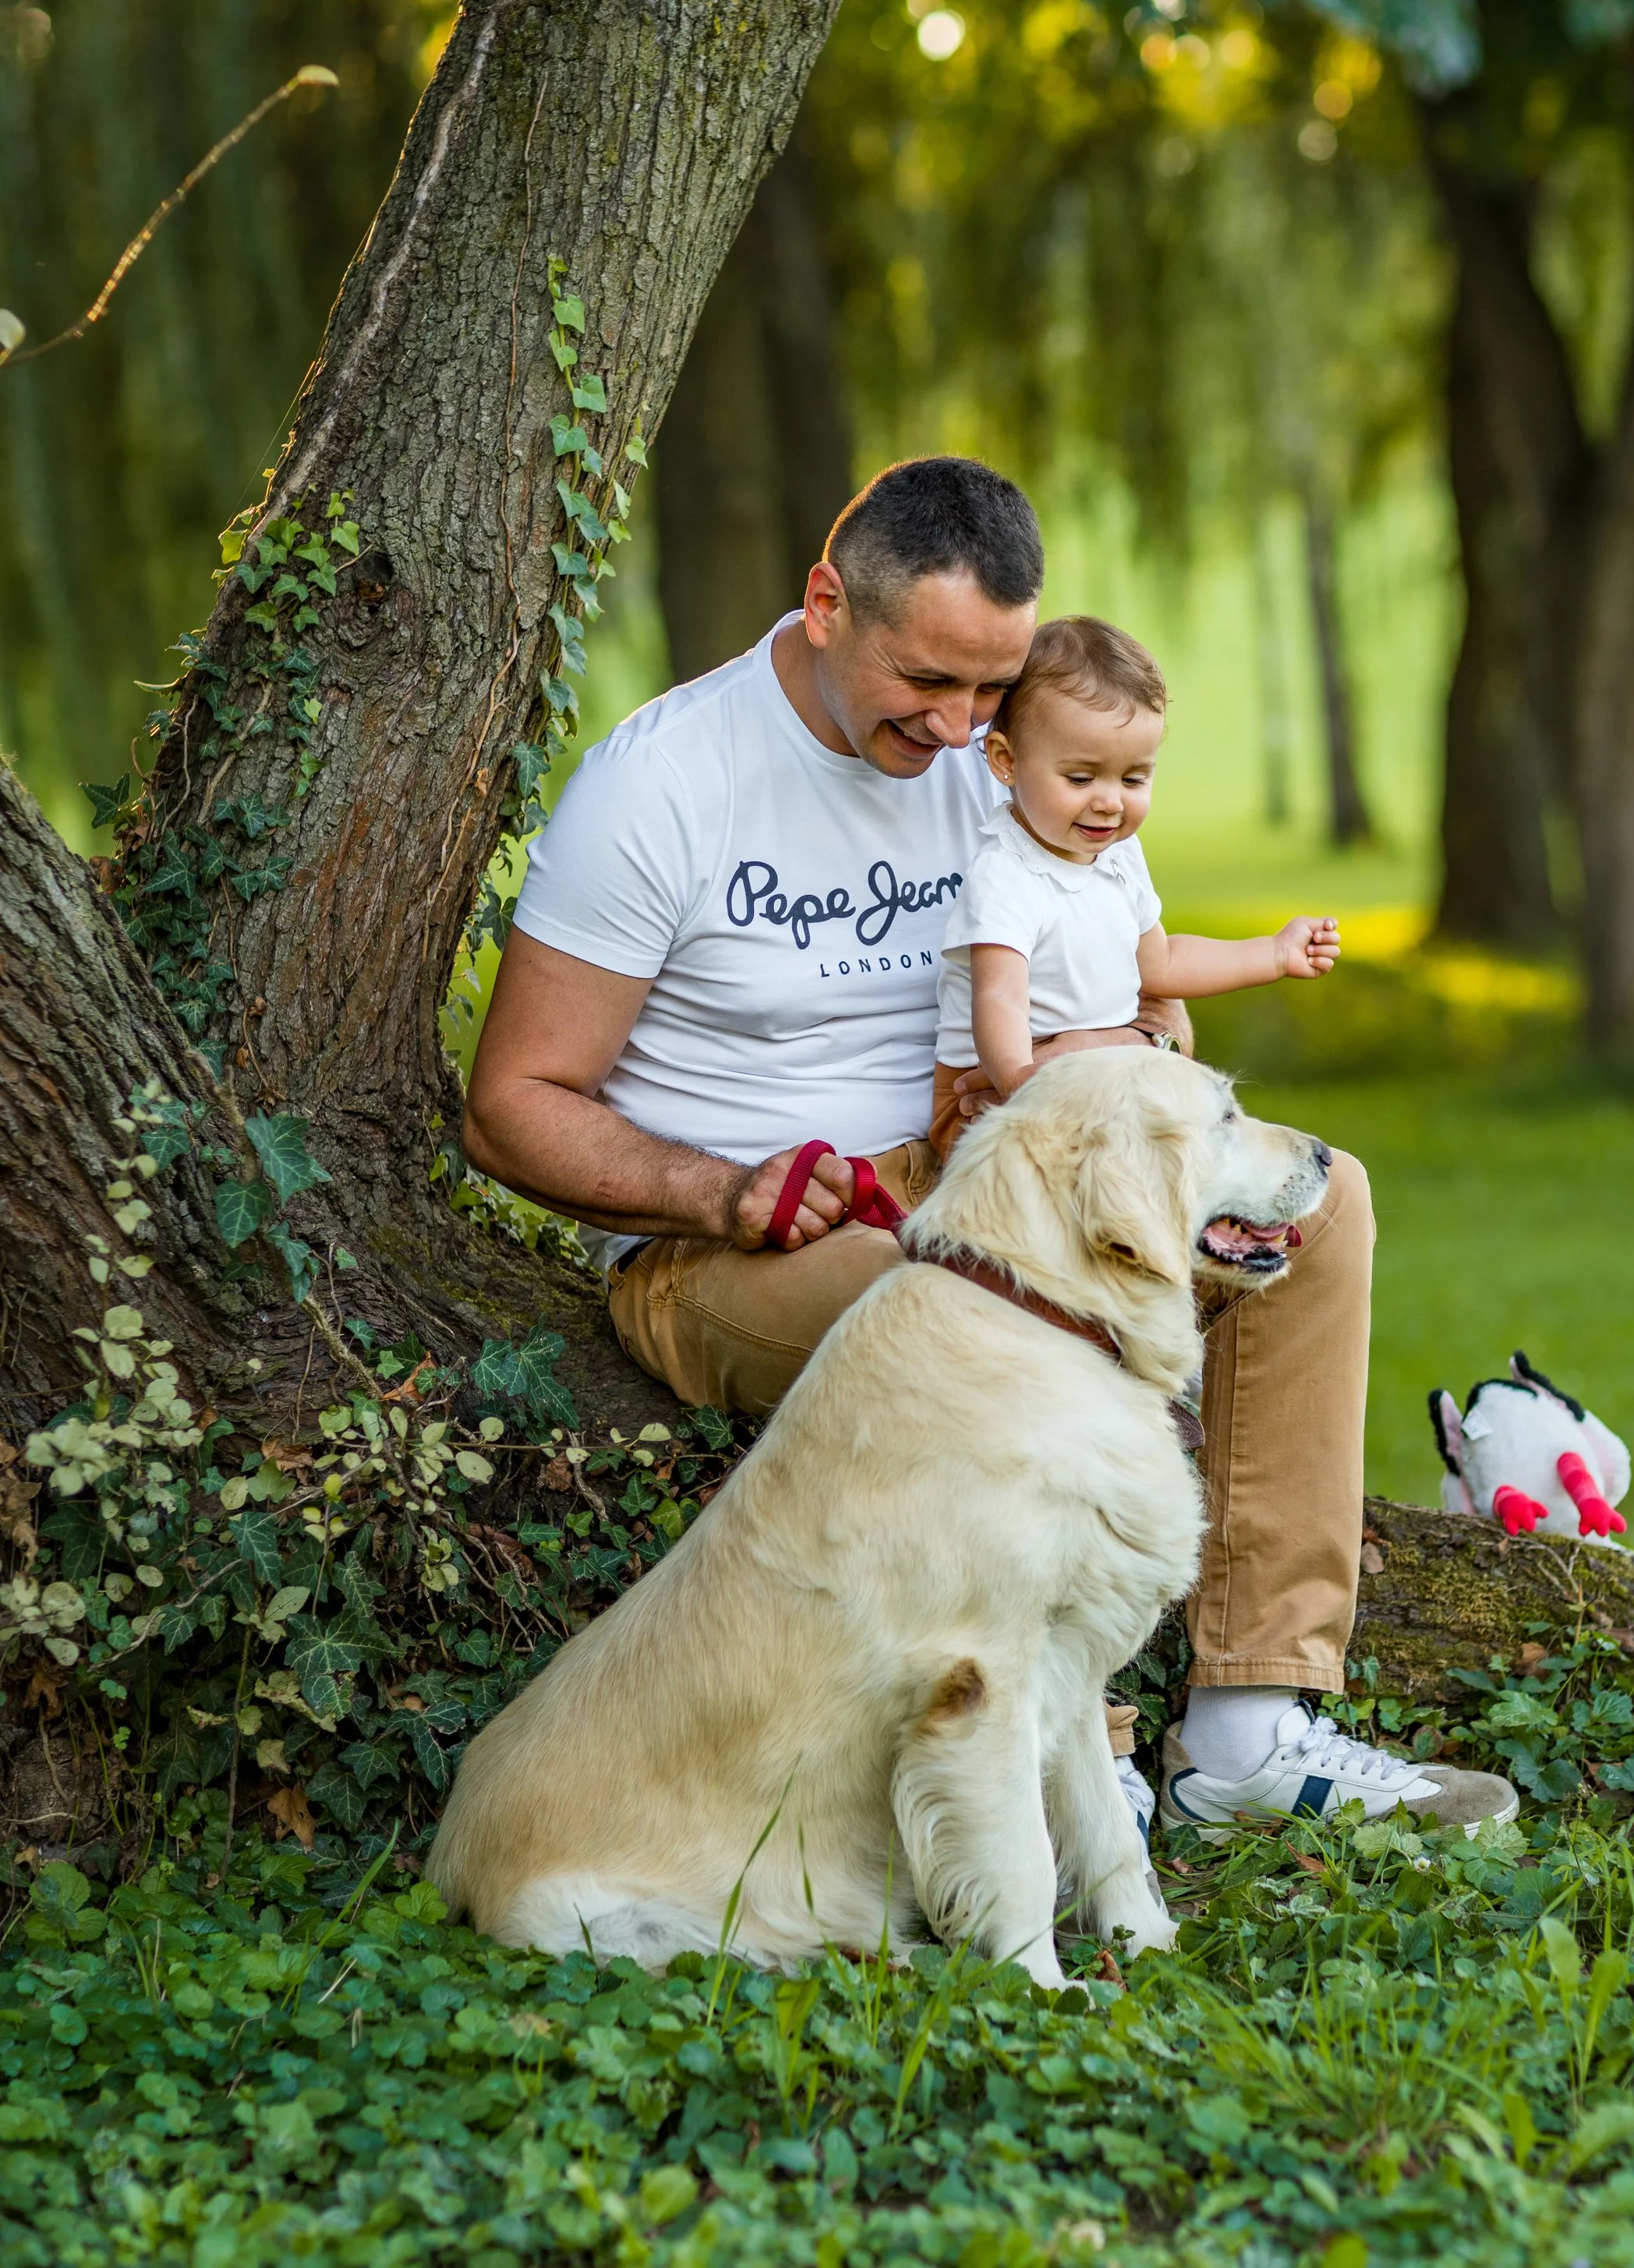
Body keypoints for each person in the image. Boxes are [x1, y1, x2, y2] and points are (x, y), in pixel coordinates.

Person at [462, 455, 1516, 1837]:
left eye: (992, 689)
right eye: (932, 685)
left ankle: (1252, 1722)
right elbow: (511, 1101)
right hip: (745, 1244)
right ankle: (1069, 1759)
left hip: (994, 1169)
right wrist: (716, 1191)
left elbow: (1124, 985)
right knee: (1012, 1310)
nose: (965, 731)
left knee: (1317, 1207)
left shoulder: (1018, 756)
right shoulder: (665, 787)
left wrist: (1155, 1064)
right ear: (827, 602)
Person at [932, 614, 1341, 1160]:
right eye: (1080, 778)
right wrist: (1024, 1086)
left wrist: (1273, 952)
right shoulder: (1005, 876)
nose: (1110, 801)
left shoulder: (1118, 855)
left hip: (1096, 1087)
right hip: (985, 1105)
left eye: (1133, 779)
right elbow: (999, 997)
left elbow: (1162, 963)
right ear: (1006, 761)